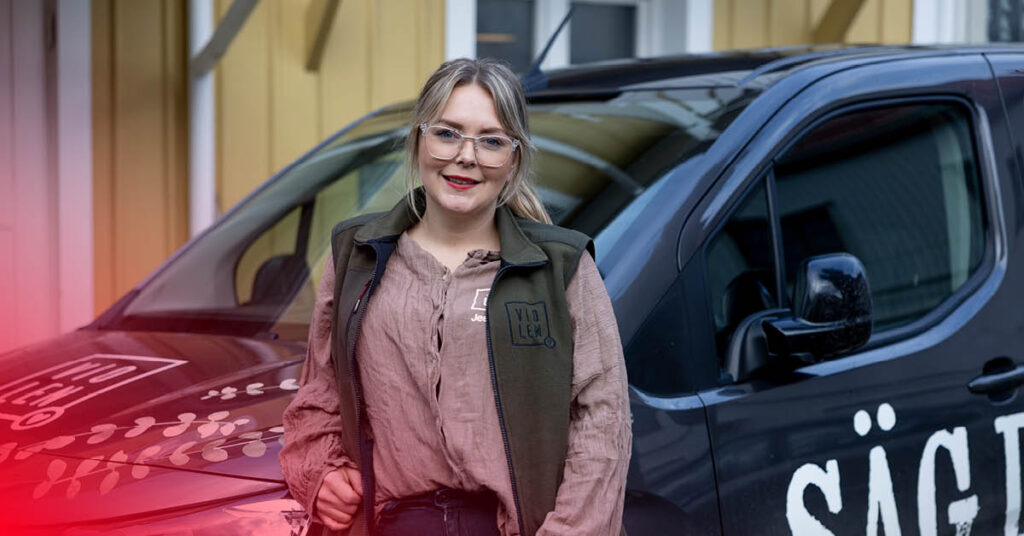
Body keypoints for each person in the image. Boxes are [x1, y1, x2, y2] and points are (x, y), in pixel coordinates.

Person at [279, 57, 631, 536]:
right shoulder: (356, 256)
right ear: (418, 140)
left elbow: (602, 421)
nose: (465, 156)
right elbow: (318, 393)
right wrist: (320, 473)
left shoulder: (561, 267)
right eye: (446, 133)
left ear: (514, 159)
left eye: (490, 141)